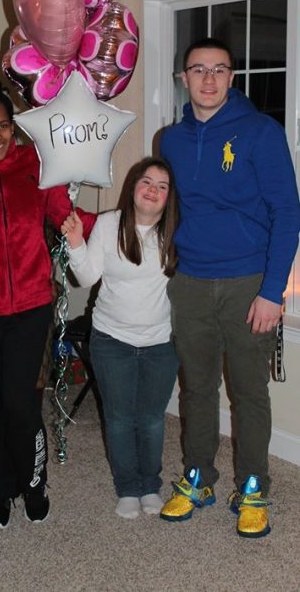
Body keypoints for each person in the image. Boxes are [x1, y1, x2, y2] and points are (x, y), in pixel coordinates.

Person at [159, 37, 300, 538]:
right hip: (192, 280)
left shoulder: (261, 132)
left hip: (248, 283)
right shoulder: (170, 141)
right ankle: (199, 476)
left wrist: (272, 291)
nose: (209, 79)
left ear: (233, 77)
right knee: (197, 388)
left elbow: (288, 213)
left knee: (248, 391)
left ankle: (254, 485)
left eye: (220, 69)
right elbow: (165, 206)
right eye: (198, 69)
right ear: (184, 78)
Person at [0, 68, 96, 529]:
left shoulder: (36, 164)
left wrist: (121, 225)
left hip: (31, 305)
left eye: (2, 126)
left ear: (13, 126)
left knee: (19, 404)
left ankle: (33, 483)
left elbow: (65, 216)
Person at [61, 157, 179, 520]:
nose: (153, 191)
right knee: (119, 417)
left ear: (168, 197)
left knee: (151, 419)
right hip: (112, 340)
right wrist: (77, 243)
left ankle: (150, 484)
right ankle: (127, 486)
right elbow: (85, 278)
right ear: (133, 187)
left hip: (161, 343)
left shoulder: (176, 233)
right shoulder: (110, 224)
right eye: (147, 182)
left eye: (162, 186)